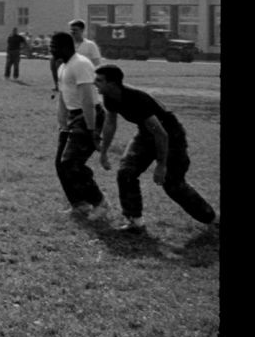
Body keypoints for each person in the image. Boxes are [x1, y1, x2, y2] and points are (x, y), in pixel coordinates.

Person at [94, 64, 216, 233]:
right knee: (126, 172)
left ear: (113, 83)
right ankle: (135, 222)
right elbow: (110, 123)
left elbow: (161, 134)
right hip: (146, 134)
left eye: (99, 80)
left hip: (171, 135)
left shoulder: (137, 99)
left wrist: (161, 165)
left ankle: (212, 218)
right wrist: (104, 152)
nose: (95, 83)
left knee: (173, 184)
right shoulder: (109, 96)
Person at [50, 31, 108, 219]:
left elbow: (88, 101)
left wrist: (92, 130)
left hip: (88, 115)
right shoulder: (63, 67)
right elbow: (63, 97)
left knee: (71, 162)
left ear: (66, 46)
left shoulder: (81, 64)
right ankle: (79, 204)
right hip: (73, 117)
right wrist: (62, 122)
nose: (51, 50)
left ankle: (100, 202)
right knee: (60, 164)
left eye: (54, 46)